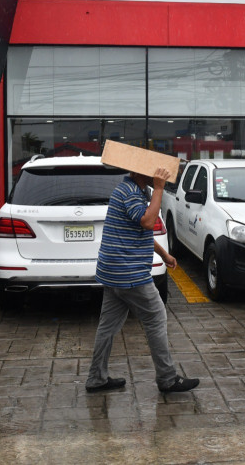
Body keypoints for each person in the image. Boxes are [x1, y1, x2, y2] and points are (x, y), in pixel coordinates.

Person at [85, 166, 200, 394]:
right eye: (152, 171)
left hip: (114, 271)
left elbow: (140, 229)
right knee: (156, 316)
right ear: (138, 172)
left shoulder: (134, 191)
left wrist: (163, 254)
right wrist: (158, 188)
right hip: (128, 272)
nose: (157, 174)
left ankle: (96, 378)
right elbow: (148, 222)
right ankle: (167, 379)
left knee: (107, 326)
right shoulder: (130, 192)